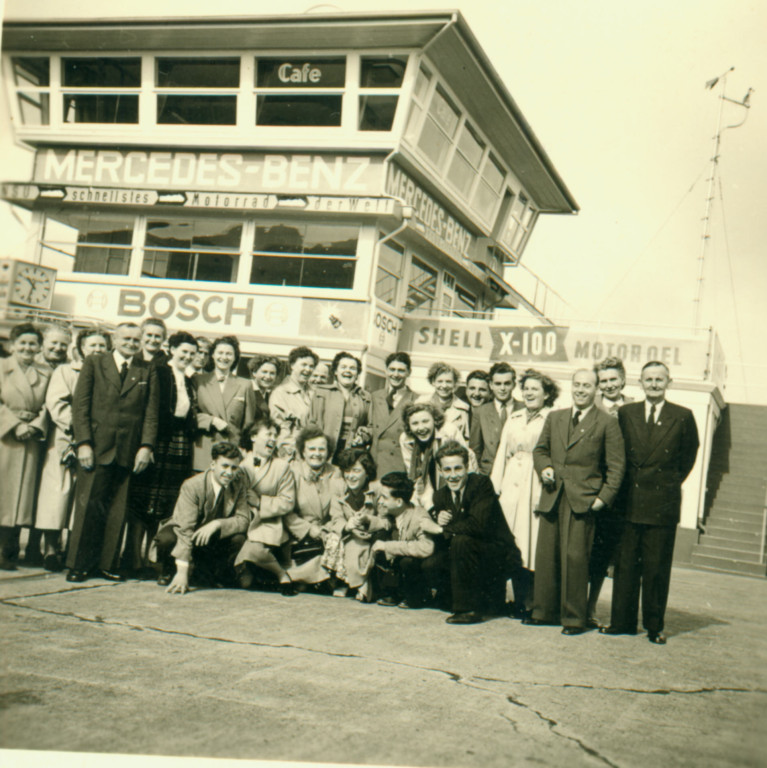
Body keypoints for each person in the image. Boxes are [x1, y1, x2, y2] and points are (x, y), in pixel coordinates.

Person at [601, 361, 699, 644]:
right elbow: (617, 454)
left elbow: (687, 459)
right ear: (640, 383)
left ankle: (655, 626)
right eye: (648, 379)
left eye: (659, 379)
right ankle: (622, 622)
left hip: (661, 505)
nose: (654, 384)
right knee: (626, 566)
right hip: (629, 502)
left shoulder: (683, 416)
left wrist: (664, 484)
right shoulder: (626, 413)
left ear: (669, 382)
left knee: (656, 569)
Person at [526, 368, 625, 635]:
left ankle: (573, 619)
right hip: (552, 495)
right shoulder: (555, 417)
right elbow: (540, 450)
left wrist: (603, 499)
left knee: (575, 559)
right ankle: (543, 612)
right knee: (547, 557)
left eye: (587, 386)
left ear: (596, 390)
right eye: (577, 385)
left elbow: (617, 467)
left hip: (583, 501)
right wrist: (544, 467)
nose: (581, 390)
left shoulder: (606, 422)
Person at [66, 322, 159, 582]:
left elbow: (150, 414)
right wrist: (83, 442)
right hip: (96, 447)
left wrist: (146, 447)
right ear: (114, 340)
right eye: (126, 338)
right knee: (89, 508)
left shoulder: (146, 370)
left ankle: (107, 564)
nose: (131, 343)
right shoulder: (95, 363)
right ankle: (79, 564)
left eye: (135, 339)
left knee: (117, 510)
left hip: (129, 451)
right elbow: (80, 406)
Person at [35, 327, 110, 571]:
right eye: (92, 346)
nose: (97, 350)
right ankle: (50, 549)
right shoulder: (66, 371)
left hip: (96, 442)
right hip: (66, 438)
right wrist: (80, 430)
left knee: (82, 496)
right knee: (58, 493)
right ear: (81, 348)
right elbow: (56, 402)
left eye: (102, 346)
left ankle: (73, 548)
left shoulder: (109, 374)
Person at [125, 332, 199, 576]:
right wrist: (148, 445)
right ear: (172, 349)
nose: (187, 357)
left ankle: (152, 558)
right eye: (183, 351)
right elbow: (150, 410)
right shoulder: (159, 371)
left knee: (166, 505)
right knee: (143, 502)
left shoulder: (188, 379)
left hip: (179, 444)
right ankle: (133, 559)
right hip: (158, 441)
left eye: (191, 353)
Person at [421, 441, 519, 624]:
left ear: (467, 467)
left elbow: (477, 525)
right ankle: (456, 598)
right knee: (430, 563)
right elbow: (444, 536)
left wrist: (442, 528)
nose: (453, 475)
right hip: (470, 554)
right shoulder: (440, 495)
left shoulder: (481, 484)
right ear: (440, 472)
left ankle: (468, 609)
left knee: (461, 542)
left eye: (458, 468)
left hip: (500, 555)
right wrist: (436, 520)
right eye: (447, 470)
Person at [490, 369, 560, 616]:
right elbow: (502, 452)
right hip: (511, 482)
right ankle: (516, 600)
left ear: (547, 393)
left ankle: (532, 602)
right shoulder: (515, 416)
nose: (529, 393)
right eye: (526, 388)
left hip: (536, 482)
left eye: (535, 389)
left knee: (531, 542)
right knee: (512, 541)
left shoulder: (554, 417)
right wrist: (495, 487)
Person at [154, 441, 250, 594]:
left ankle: (211, 573)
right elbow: (185, 529)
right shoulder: (192, 485)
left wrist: (216, 524)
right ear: (212, 464)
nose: (229, 473)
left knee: (238, 538)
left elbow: (244, 520)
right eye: (224, 466)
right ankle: (169, 571)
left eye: (234, 468)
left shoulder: (238, 484)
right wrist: (182, 571)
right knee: (167, 538)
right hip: (185, 531)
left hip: (209, 536)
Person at [0, 323, 51, 570]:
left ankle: (10, 548)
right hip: (5, 437)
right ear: (12, 345)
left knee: (22, 496)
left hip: (31, 438)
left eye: (33, 344)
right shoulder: (1, 368)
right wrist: (14, 425)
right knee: (3, 493)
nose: (28, 348)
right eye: (23, 343)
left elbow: (48, 405)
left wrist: (35, 425)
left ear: (39, 347)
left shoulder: (45, 372)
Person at [587, 356, 634, 623]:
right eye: (603, 381)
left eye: (613, 379)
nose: (608, 385)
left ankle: (608, 611)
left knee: (613, 556)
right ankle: (585, 606)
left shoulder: (634, 408)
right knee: (590, 554)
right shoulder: (590, 406)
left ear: (623, 380)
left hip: (623, 494)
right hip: (593, 489)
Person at [25, 322, 72, 564]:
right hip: (32, 433)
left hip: (57, 435)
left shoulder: (67, 369)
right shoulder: (32, 365)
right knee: (29, 492)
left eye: (63, 344)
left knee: (51, 492)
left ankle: (50, 547)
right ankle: (30, 546)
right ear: (43, 343)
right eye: (53, 342)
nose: (58, 347)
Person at [233, 418, 297, 596]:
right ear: (253, 437)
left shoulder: (281, 466)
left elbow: (288, 501)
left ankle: (282, 575)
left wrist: (261, 501)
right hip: (243, 519)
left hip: (267, 522)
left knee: (256, 551)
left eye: (275, 435)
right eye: (268, 434)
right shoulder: (239, 465)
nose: (273, 439)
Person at [323, 448, 388, 600]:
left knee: (361, 550)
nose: (350, 476)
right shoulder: (338, 486)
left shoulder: (377, 488)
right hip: (347, 534)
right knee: (340, 544)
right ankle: (353, 583)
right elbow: (335, 517)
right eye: (347, 471)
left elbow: (386, 521)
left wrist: (369, 521)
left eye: (356, 471)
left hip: (370, 536)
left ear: (367, 472)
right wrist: (346, 525)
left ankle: (356, 584)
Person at [284, 426, 344, 588]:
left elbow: (339, 509)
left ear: (328, 452)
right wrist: (308, 529)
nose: (316, 454)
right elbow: (286, 512)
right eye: (311, 449)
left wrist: (327, 529)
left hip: (326, 533)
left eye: (321, 449)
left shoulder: (336, 473)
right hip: (299, 535)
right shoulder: (292, 472)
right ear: (303, 451)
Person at [370, 472, 435, 609]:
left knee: (407, 561)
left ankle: (416, 596)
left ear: (399, 502)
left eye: (385, 497)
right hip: (397, 563)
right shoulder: (389, 511)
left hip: (415, 566)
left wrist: (389, 546)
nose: (380, 501)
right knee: (378, 537)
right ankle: (391, 592)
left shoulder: (419, 516)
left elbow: (427, 547)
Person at [192, 335, 255, 471]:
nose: (224, 357)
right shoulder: (198, 380)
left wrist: (244, 450)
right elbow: (190, 414)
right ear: (213, 355)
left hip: (231, 452)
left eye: (229, 354)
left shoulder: (245, 385)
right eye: (220, 353)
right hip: (204, 450)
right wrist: (211, 420)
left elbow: (248, 425)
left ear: (235, 358)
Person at [399, 401, 476, 511]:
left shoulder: (449, 431)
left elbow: (466, 466)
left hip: (455, 474)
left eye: (425, 421)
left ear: (435, 420)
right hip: (428, 481)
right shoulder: (406, 439)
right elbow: (416, 475)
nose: (421, 428)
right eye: (415, 423)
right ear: (408, 426)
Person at [309, 351, 371, 462]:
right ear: (336, 371)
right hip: (326, 449)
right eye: (343, 367)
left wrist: (363, 436)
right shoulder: (321, 393)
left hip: (353, 450)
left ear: (357, 374)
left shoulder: (365, 397)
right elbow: (312, 423)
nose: (348, 371)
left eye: (353, 368)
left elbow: (370, 426)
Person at [369, 352, 418, 477]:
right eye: (392, 369)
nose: (395, 374)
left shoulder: (416, 401)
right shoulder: (375, 396)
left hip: (398, 466)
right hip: (374, 464)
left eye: (401, 370)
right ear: (386, 370)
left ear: (409, 372)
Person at [470, 362, 523, 475]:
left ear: (514, 384)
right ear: (491, 385)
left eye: (507, 383)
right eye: (498, 384)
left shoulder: (524, 409)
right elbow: (475, 451)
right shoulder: (480, 411)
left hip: (516, 474)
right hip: (488, 474)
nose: (502, 388)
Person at [269, 346, 318, 459]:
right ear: (292, 365)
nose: (308, 369)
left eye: (311, 366)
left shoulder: (315, 393)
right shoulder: (280, 393)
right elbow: (281, 427)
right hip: (291, 452)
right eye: (304, 365)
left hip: (312, 452)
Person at [420, 362, 470, 441]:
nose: (444, 386)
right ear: (433, 382)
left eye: (448, 381)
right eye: (440, 381)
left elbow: (465, 438)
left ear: (454, 383)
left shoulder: (463, 408)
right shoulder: (421, 403)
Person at [247, 354, 281, 421]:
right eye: (264, 372)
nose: (268, 376)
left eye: (272, 373)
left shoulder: (272, 395)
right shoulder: (246, 390)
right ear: (254, 372)